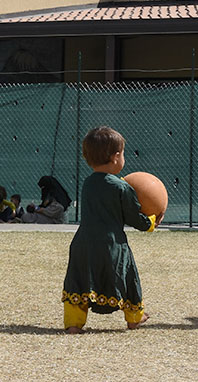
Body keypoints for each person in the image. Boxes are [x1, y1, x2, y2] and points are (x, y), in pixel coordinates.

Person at [62, 126, 163, 334]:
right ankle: (135, 317)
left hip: (83, 243)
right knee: (127, 277)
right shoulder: (122, 188)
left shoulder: (88, 184)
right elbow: (134, 218)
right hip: (112, 244)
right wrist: (151, 222)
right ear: (116, 157)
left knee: (80, 279)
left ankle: (73, 324)